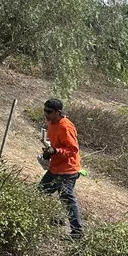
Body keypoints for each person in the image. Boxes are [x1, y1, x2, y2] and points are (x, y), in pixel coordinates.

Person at [39, 98, 83, 239]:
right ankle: (51, 220)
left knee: (67, 199)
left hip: (68, 170)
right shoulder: (52, 123)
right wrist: (48, 151)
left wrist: (56, 152)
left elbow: (73, 150)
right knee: (41, 192)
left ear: (58, 112)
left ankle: (77, 233)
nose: (46, 114)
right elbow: (56, 145)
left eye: (49, 112)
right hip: (55, 167)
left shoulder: (66, 127)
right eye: (45, 110)